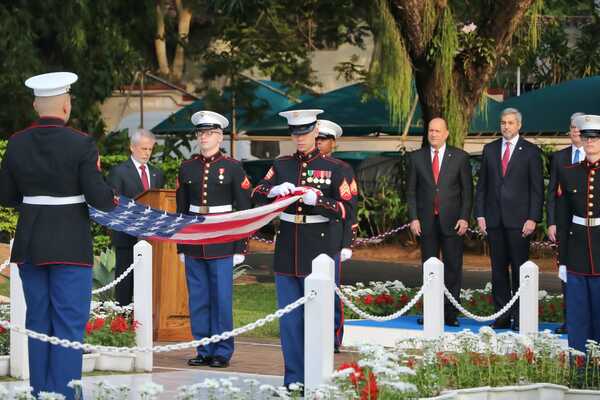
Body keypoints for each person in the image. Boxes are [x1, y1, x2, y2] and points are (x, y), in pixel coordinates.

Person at [0, 72, 116, 400]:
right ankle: (65, 396)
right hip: (69, 245)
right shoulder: (81, 143)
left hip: (31, 244)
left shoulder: (18, 141)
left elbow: (6, 195)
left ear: (37, 104)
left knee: (38, 322)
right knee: (67, 326)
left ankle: (41, 394)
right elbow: (99, 198)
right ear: (66, 105)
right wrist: (114, 196)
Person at [252, 109, 356, 388]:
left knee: (319, 318)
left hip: (319, 247)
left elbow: (347, 209)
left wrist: (319, 200)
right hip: (287, 246)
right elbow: (256, 194)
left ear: (316, 132)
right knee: (290, 321)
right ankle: (293, 381)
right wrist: (272, 192)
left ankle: (317, 379)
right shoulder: (282, 164)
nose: (299, 138)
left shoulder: (336, 168)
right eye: (295, 133)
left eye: (305, 132)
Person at [176, 110, 252, 368]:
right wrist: (181, 245)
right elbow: (182, 210)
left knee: (221, 298)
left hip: (222, 238)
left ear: (219, 137)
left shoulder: (232, 167)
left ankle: (222, 350)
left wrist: (241, 245)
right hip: (195, 237)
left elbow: (243, 209)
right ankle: (204, 348)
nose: (203, 137)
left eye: (209, 133)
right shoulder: (187, 167)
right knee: (198, 297)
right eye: (200, 133)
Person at [475, 108, 544, 330]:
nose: (506, 126)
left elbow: (537, 189)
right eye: (503, 122)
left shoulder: (531, 151)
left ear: (519, 126)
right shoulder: (490, 149)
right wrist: (480, 214)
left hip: (519, 222)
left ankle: (521, 318)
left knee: (519, 270)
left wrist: (533, 217)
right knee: (498, 271)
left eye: (511, 123)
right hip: (494, 220)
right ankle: (503, 316)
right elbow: (482, 186)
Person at [407, 117, 472, 327]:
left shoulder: (460, 157)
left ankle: (450, 313)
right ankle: (431, 312)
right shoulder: (417, 158)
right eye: (430, 130)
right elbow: (411, 192)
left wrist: (464, 217)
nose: (433, 134)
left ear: (446, 133)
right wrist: (414, 218)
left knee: (453, 267)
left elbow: (467, 192)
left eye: (437, 131)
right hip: (426, 222)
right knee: (429, 269)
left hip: (452, 221)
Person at [555, 114, 600, 353]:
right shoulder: (569, 172)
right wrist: (562, 259)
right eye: (586, 137)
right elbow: (562, 220)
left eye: (595, 137)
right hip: (576, 252)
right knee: (578, 316)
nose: (590, 141)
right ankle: (580, 368)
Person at [107, 128, 165, 306]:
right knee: (126, 281)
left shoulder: (157, 173)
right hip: (126, 236)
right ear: (132, 147)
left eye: (150, 149)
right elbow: (114, 204)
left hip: (151, 238)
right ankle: (123, 320)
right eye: (143, 149)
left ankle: (146, 318)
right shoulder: (118, 172)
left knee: (148, 281)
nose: (147, 153)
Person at [316, 119, 358, 352]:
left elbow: (350, 207)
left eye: (322, 140)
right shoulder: (303, 166)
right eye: (316, 139)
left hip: (332, 235)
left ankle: (333, 336)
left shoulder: (341, 168)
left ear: (332, 143)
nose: (318, 143)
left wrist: (347, 243)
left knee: (330, 290)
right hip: (308, 235)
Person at [546, 112, 586, 335]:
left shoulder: (594, 155)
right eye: (572, 127)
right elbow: (552, 192)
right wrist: (551, 223)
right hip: (565, 225)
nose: (575, 131)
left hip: (590, 226)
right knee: (566, 274)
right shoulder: (560, 157)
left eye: (579, 128)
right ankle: (569, 320)